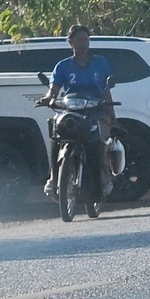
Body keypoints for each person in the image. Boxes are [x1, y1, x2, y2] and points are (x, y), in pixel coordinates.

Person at [38, 25, 117, 198]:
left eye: (85, 39)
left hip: (96, 113)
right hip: (70, 112)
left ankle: (104, 181)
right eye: (79, 40)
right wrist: (48, 98)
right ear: (71, 42)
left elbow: (106, 92)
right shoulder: (62, 66)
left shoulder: (100, 63)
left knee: (99, 142)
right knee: (55, 132)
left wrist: (112, 118)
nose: (83, 43)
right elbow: (53, 90)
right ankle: (53, 178)